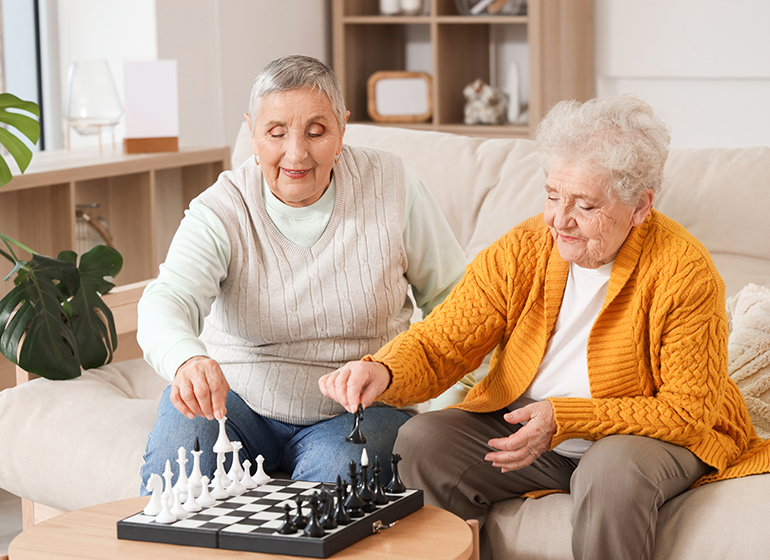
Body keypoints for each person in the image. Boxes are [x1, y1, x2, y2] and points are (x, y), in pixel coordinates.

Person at [319, 93, 770, 560]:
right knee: (423, 442)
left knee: (609, 469)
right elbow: (444, 340)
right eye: (553, 195)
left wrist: (563, 419)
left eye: (586, 206)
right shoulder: (524, 248)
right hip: (535, 434)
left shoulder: (684, 272)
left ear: (640, 207)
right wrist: (385, 370)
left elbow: (686, 411)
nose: (560, 220)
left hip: (648, 439)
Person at [136, 55, 466, 488]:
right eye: (275, 133)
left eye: (316, 131)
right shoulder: (222, 207)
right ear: (252, 133)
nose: (296, 153)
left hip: (361, 408)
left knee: (331, 500)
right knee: (177, 477)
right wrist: (188, 358)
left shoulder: (393, 184)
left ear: (342, 129)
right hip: (234, 402)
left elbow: (455, 297)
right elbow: (168, 298)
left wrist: (455, 402)